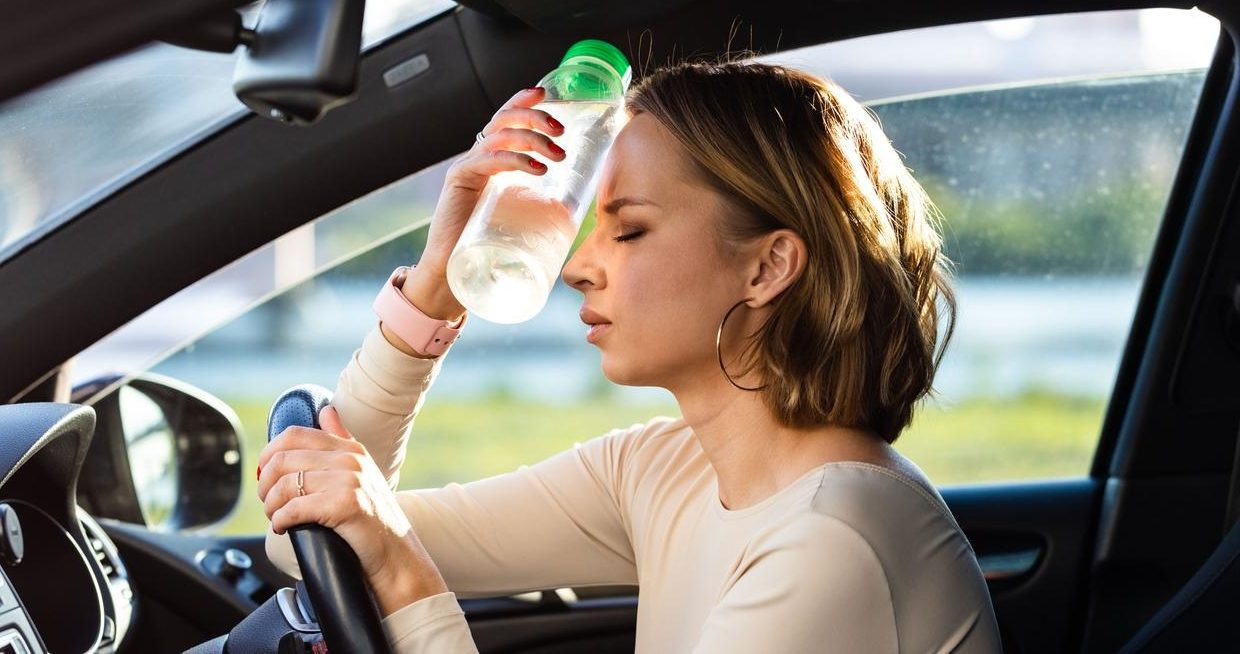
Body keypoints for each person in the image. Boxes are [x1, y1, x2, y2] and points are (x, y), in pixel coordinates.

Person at [257, 60, 1003, 652]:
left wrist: (398, 568)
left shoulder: (836, 538)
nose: (577, 267)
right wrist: (434, 287)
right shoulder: (662, 470)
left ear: (767, 268)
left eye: (630, 229)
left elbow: (376, 552)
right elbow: (311, 544)